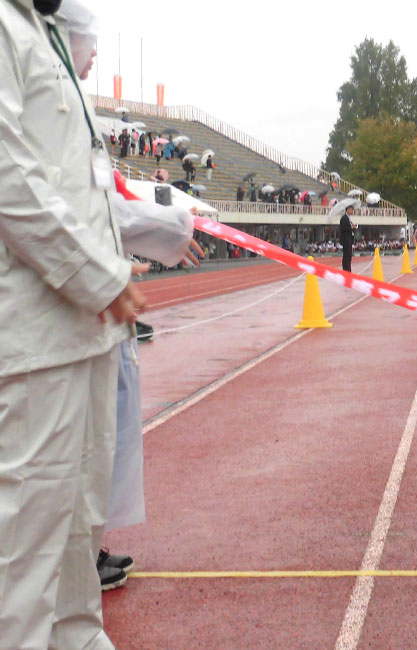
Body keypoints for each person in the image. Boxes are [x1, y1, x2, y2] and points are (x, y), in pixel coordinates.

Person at [0, 0, 148, 646]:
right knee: (26, 547)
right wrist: (99, 276)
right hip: (36, 336)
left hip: (86, 331)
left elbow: (79, 176)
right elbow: (11, 182)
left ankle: (84, 640)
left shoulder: (48, 35)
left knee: (80, 525)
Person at [339, 204, 355, 271]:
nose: (352, 211)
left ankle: (348, 269)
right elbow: (343, 228)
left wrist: (353, 227)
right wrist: (351, 227)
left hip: (349, 239)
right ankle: (346, 269)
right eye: (351, 209)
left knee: (349, 256)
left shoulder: (348, 218)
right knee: (346, 256)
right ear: (347, 210)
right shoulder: (344, 218)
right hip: (346, 239)